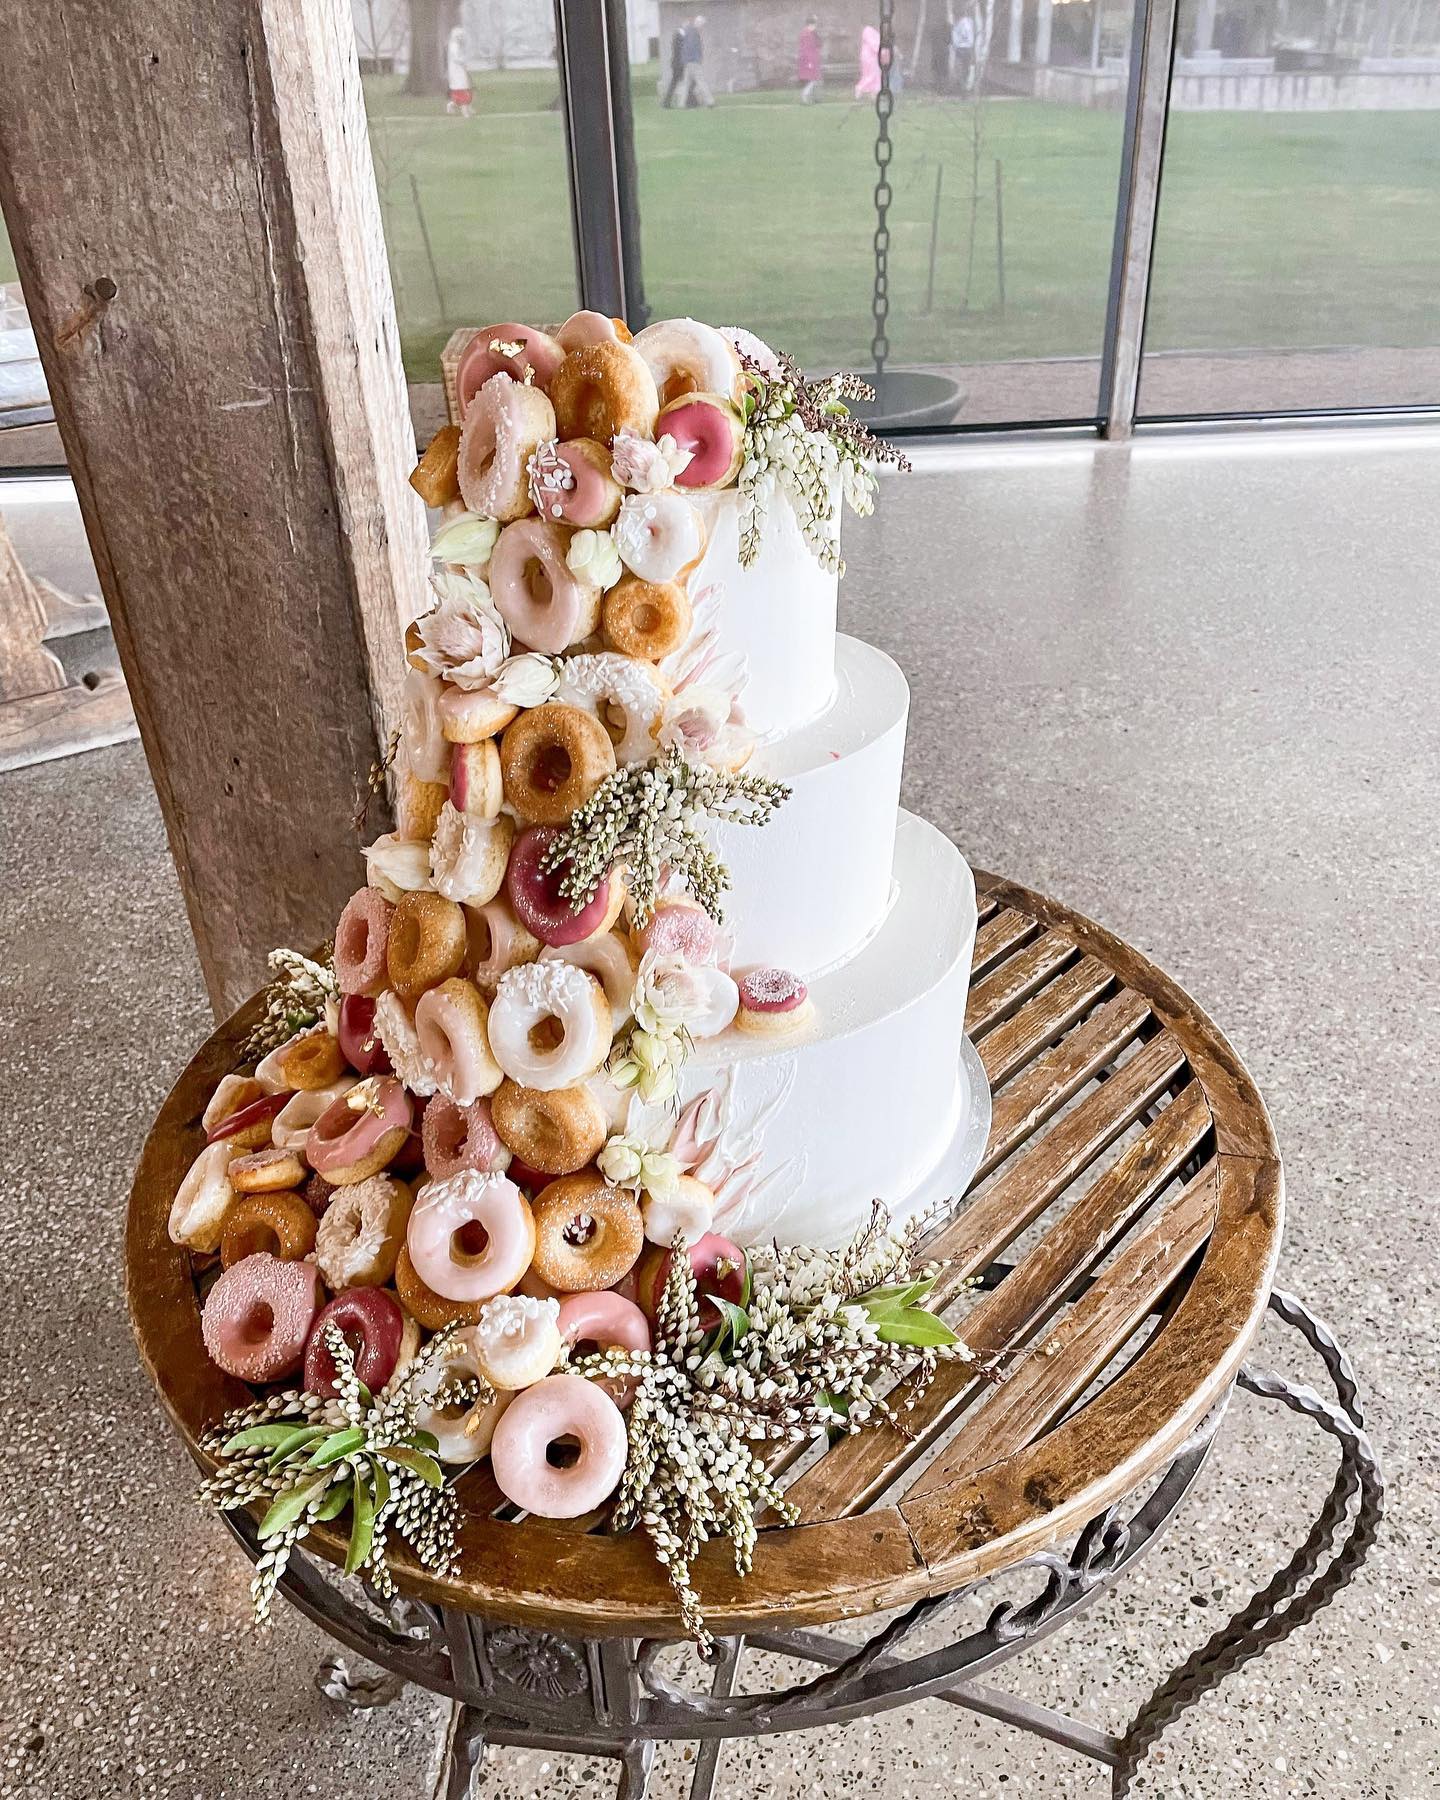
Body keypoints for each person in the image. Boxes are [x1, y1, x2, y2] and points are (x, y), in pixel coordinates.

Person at [675, 15, 716, 108]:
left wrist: (685, 59)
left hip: (687, 61)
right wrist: (698, 59)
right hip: (693, 61)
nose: (702, 27)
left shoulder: (688, 31)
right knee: (701, 81)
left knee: (686, 83)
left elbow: (685, 47)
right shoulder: (694, 32)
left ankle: (681, 103)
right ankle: (710, 102)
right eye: (702, 24)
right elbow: (693, 47)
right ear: (698, 23)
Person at [445, 25, 472, 118]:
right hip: (456, 71)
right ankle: (465, 111)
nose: (461, 38)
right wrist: (464, 62)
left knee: (462, 89)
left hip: (459, 70)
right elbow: (456, 58)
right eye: (459, 36)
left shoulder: (456, 45)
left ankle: (454, 105)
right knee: (461, 89)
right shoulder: (453, 46)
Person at [950, 9, 976, 92]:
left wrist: (956, 44)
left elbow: (964, 35)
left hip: (962, 48)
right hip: (966, 48)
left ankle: (964, 88)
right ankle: (965, 88)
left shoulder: (962, 23)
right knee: (965, 69)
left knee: (963, 69)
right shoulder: (968, 22)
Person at [797, 15, 822, 103]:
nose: (815, 27)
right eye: (814, 24)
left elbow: (818, 44)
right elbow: (806, 49)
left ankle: (814, 98)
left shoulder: (811, 33)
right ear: (810, 24)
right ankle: (805, 94)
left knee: (815, 80)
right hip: (809, 60)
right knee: (813, 79)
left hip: (812, 59)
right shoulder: (806, 34)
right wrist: (809, 62)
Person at [855, 23, 881, 97]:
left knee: (875, 75)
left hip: (872, 56)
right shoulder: (868, 30)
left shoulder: (872, 31)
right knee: (871, 74)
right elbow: (874, 43)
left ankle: (874, 92)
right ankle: (860, 88)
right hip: (870, 56)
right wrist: (880, 50)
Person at [663, 23, 686, 106]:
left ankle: (666, 101)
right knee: (688, 81)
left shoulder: (677, 36)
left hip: (677, 63)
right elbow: (680, 50)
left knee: (674, 82)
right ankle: (667, 101)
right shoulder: (679, 37)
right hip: (679, 64)